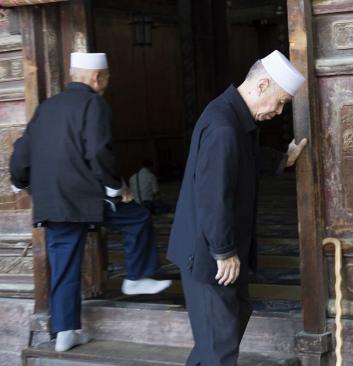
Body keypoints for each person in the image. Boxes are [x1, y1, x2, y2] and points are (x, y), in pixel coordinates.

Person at [9, 52, 172, 353]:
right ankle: (136, 276)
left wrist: (18, 181)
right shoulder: (93, 103)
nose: (107, 83)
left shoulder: (47, 107)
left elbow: (22, 151)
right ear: (97, 77)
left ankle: (65, 332)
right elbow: (99, 150)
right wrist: (114, 188)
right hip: (85, 199)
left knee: (64, 266)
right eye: (107, 77)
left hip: (53, 203)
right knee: (137, 218)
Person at [167, 50, 307, 366]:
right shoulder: (223, 127)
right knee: (220, 350)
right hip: (209, 257)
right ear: (262, 85)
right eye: (281, 101)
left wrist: (282, 159)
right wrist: (223, 250)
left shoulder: (230, 115)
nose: (280, 110)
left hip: (211, 251)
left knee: (219, 338)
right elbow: (212, 195)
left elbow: (245, 156)